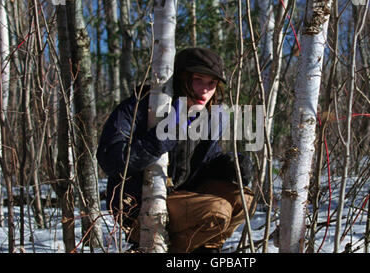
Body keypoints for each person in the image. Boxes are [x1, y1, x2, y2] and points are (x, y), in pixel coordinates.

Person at [97, 47, 254, 253]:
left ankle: (206, 250)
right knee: (218, 211)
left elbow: (204, 161)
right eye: (198, 79)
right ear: (181, 78)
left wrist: (229, 165)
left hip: (183, 197)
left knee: (244, 201)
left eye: (212, 83)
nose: (205, 90)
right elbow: (110, 158)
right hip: (137, 205)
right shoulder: (143, 104)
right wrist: (161, 137)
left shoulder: (210, 115)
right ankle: (151, 247)